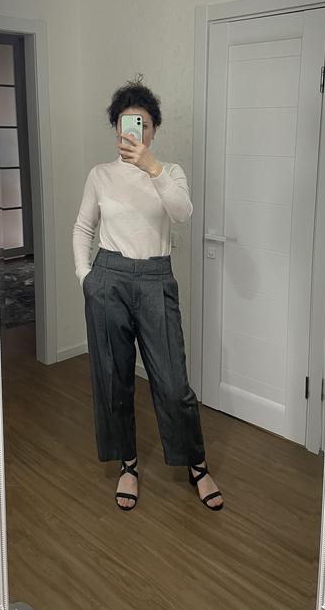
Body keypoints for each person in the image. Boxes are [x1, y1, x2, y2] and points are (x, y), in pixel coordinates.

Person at [72, 77, 223, 512]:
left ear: (153, 129)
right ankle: (128, 464)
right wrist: (86, 277)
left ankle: (196, 465)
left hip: (156, 279)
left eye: (141, 124)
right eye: (125, 124)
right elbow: (82, 227)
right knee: (114, 380)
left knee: (173, 384)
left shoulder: (169, 172)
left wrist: (151, 167)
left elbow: (182, 213)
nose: (133, 133)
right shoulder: (100, 175)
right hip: (108, 278)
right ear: (115, 129)